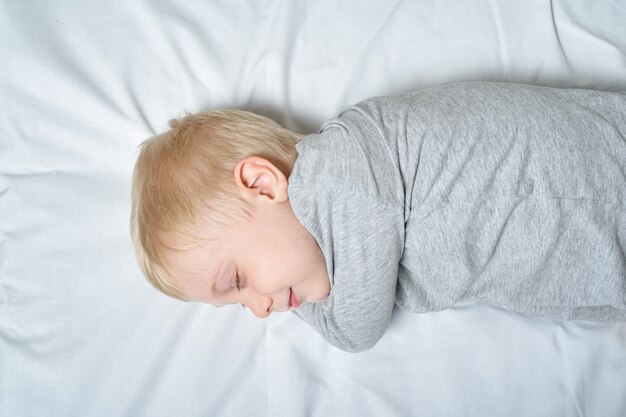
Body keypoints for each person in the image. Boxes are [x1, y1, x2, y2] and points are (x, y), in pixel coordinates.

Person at [130, 81, 626, 352]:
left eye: (237, 279)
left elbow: (354, 331)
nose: (260, 310)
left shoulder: (342, 171)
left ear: (263, 184)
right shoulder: (342, 233)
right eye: (239, 304)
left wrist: (304, 305)